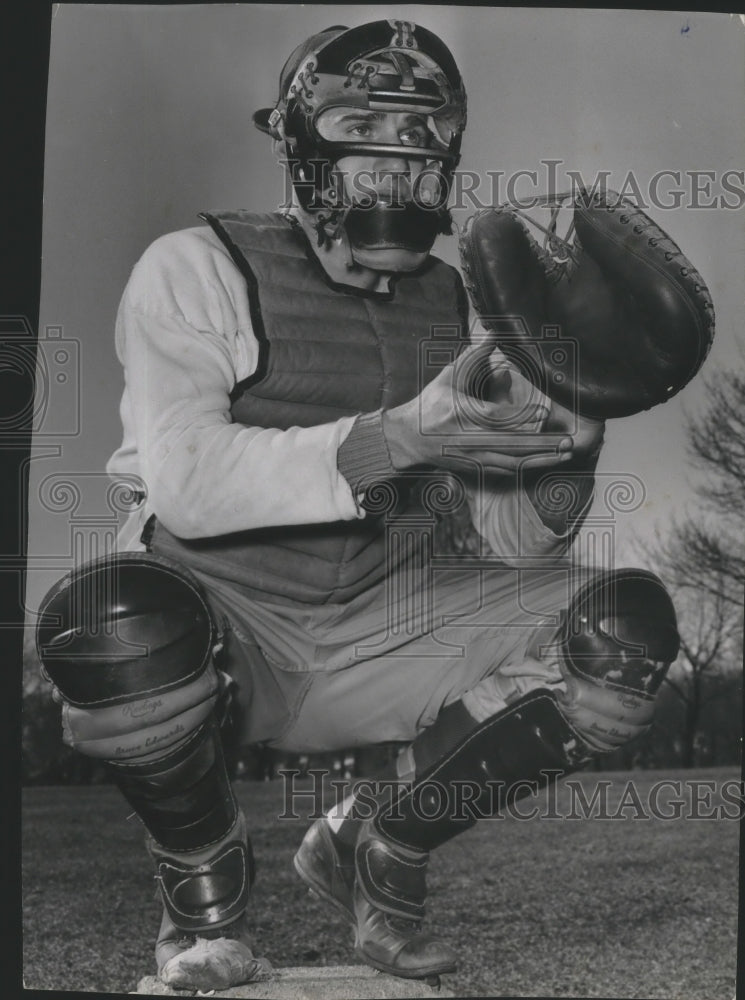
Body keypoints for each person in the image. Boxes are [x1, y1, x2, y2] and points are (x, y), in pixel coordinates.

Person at [36, 20, 683, 993]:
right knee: (114, 623)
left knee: (619, 633)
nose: (397, 175)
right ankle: (201, 895)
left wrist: (568, 453)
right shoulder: (199, 268)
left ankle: (379, 844)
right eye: (367, 143)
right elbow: (184, 479)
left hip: (383, 622)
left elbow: (507, 541)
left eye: (420, 148)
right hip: (225, 624)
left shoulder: (455, 303)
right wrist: (405, 435)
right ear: (302, 148)